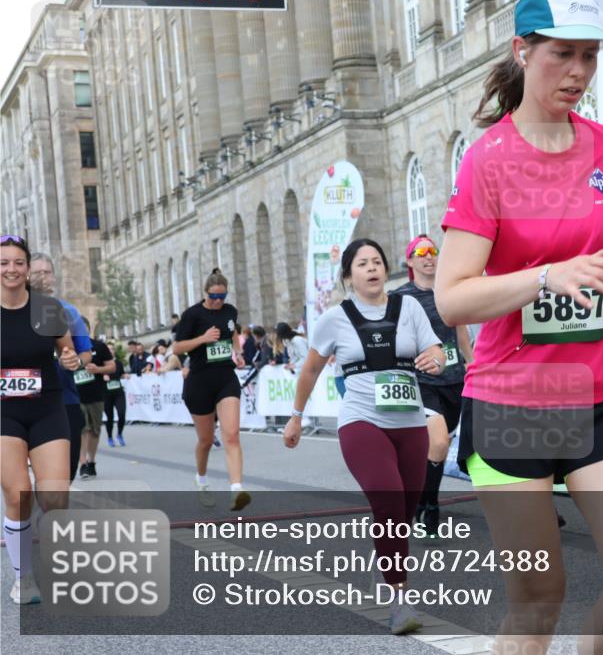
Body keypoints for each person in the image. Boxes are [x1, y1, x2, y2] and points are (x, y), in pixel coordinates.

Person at [434, 0, 603, 651]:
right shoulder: (487, 160)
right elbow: (452, 298)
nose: (578, 72)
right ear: (522, 50)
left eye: (589, 56)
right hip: (513, 403)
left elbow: (602, 241)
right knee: (538, 601)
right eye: (562, 53)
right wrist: (545, 277)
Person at [283, 238, 445, 635]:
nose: (372, 268)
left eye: (377, 262)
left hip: (410, 423)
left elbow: (436, 350)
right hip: (361, 421)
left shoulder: (409, 308)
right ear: (349, 275)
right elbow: (310, 370)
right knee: (388, 500)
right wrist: (296, 417)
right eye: (362, 263)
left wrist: (436, 361)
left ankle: (386, 563)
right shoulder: (334, 318)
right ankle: (399, 601)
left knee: (403, 513)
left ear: (386, 269)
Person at [1, 235, 80, 603]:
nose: (11, 269)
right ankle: (24, 578)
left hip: (46, 406)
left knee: (55, 497)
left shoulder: (47, 308)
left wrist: (70, 359)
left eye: (18, 262)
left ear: (27, 267)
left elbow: (67, 351)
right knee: (19, 495)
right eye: (4, 263)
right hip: (4, 412)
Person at [392, 234, 474, 537]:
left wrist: (473, 364)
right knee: (438, 442)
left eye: (433, 251)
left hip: (453, 379)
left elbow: (460, 330)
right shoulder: (400, 297)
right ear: (410, 261)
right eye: (421, 252)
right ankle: (429, 507)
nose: (429, 256)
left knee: (439, 447)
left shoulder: (448, 291)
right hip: (421, 380)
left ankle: (424, 499)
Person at [171, 271, 250, 511]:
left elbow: (233, 333)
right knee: (205, 440)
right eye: (213, 296)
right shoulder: (192, 315)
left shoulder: (230, 311)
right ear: (205, 293)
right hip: (199, 381)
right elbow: (177, 347)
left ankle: (236, 489)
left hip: (226, 378)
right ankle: (202, 480)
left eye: (222, 296)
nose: (217, 301)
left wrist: (238, 352)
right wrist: (202, 339)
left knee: (232, 435)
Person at [29, 252, 93, 483]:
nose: (42, 277)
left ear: (54, 277)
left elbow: (85, 353)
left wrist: (75, 362)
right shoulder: (12, 311)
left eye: (47, 272)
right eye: (37, 272)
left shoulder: (69, 312)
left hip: (65, 399)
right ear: (26, 275)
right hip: (22, 401)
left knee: (66, 473)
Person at [74, 317, 116, 479]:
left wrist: (98, 369)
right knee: (83, 429)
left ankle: (91, 461)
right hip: (76, 396)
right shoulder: (69, 348)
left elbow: (112, 366)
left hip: (96, 394)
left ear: (88, 329)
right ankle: (83, 463)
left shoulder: (99, 346)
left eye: (83, 328)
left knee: (95, 430)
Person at [103, 350, 128, 448]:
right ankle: (110, 437)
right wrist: (102, 376)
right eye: (108, 349)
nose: (110, 351)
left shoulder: (118, 363)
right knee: (110, 417)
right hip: (106, 394)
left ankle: (119, 434)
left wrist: (125, 375)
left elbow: (121, 373)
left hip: (119, 392)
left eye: (112, 349)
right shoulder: (101, 363)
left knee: (122, 414)